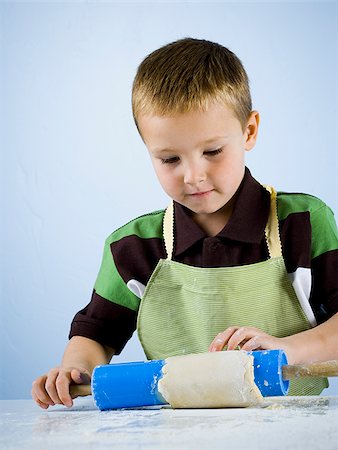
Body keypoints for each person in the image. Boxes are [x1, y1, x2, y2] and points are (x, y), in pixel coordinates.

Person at [32, 38, 338, 409]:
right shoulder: (132, 247)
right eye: (169, 158)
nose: (193, 175)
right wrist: (74, 371)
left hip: (295, 427)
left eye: (212, 151)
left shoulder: (302, 223)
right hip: (179, 434)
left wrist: (287, 350)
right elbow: (96, 335)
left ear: (250, 131)